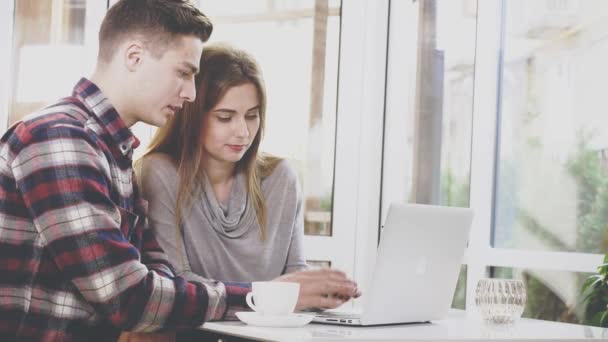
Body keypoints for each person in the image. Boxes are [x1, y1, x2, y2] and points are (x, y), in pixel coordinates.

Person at [0, 1, 255, 340]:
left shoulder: (112, 150)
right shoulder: (59, 138)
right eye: (183, 73)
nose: (191, 93)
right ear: (134, 57)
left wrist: (153, 309)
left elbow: (154, 268)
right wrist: (256, 298)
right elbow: (128, 297)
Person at [138, 43, 360, 328]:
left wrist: (323, 291)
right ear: (191, 116)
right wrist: (274, 295)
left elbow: (295, 279)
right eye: (225, 117)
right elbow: (174, 283)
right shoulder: (159, 173)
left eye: (252, 116)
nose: (243, 132)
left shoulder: (281, 177)